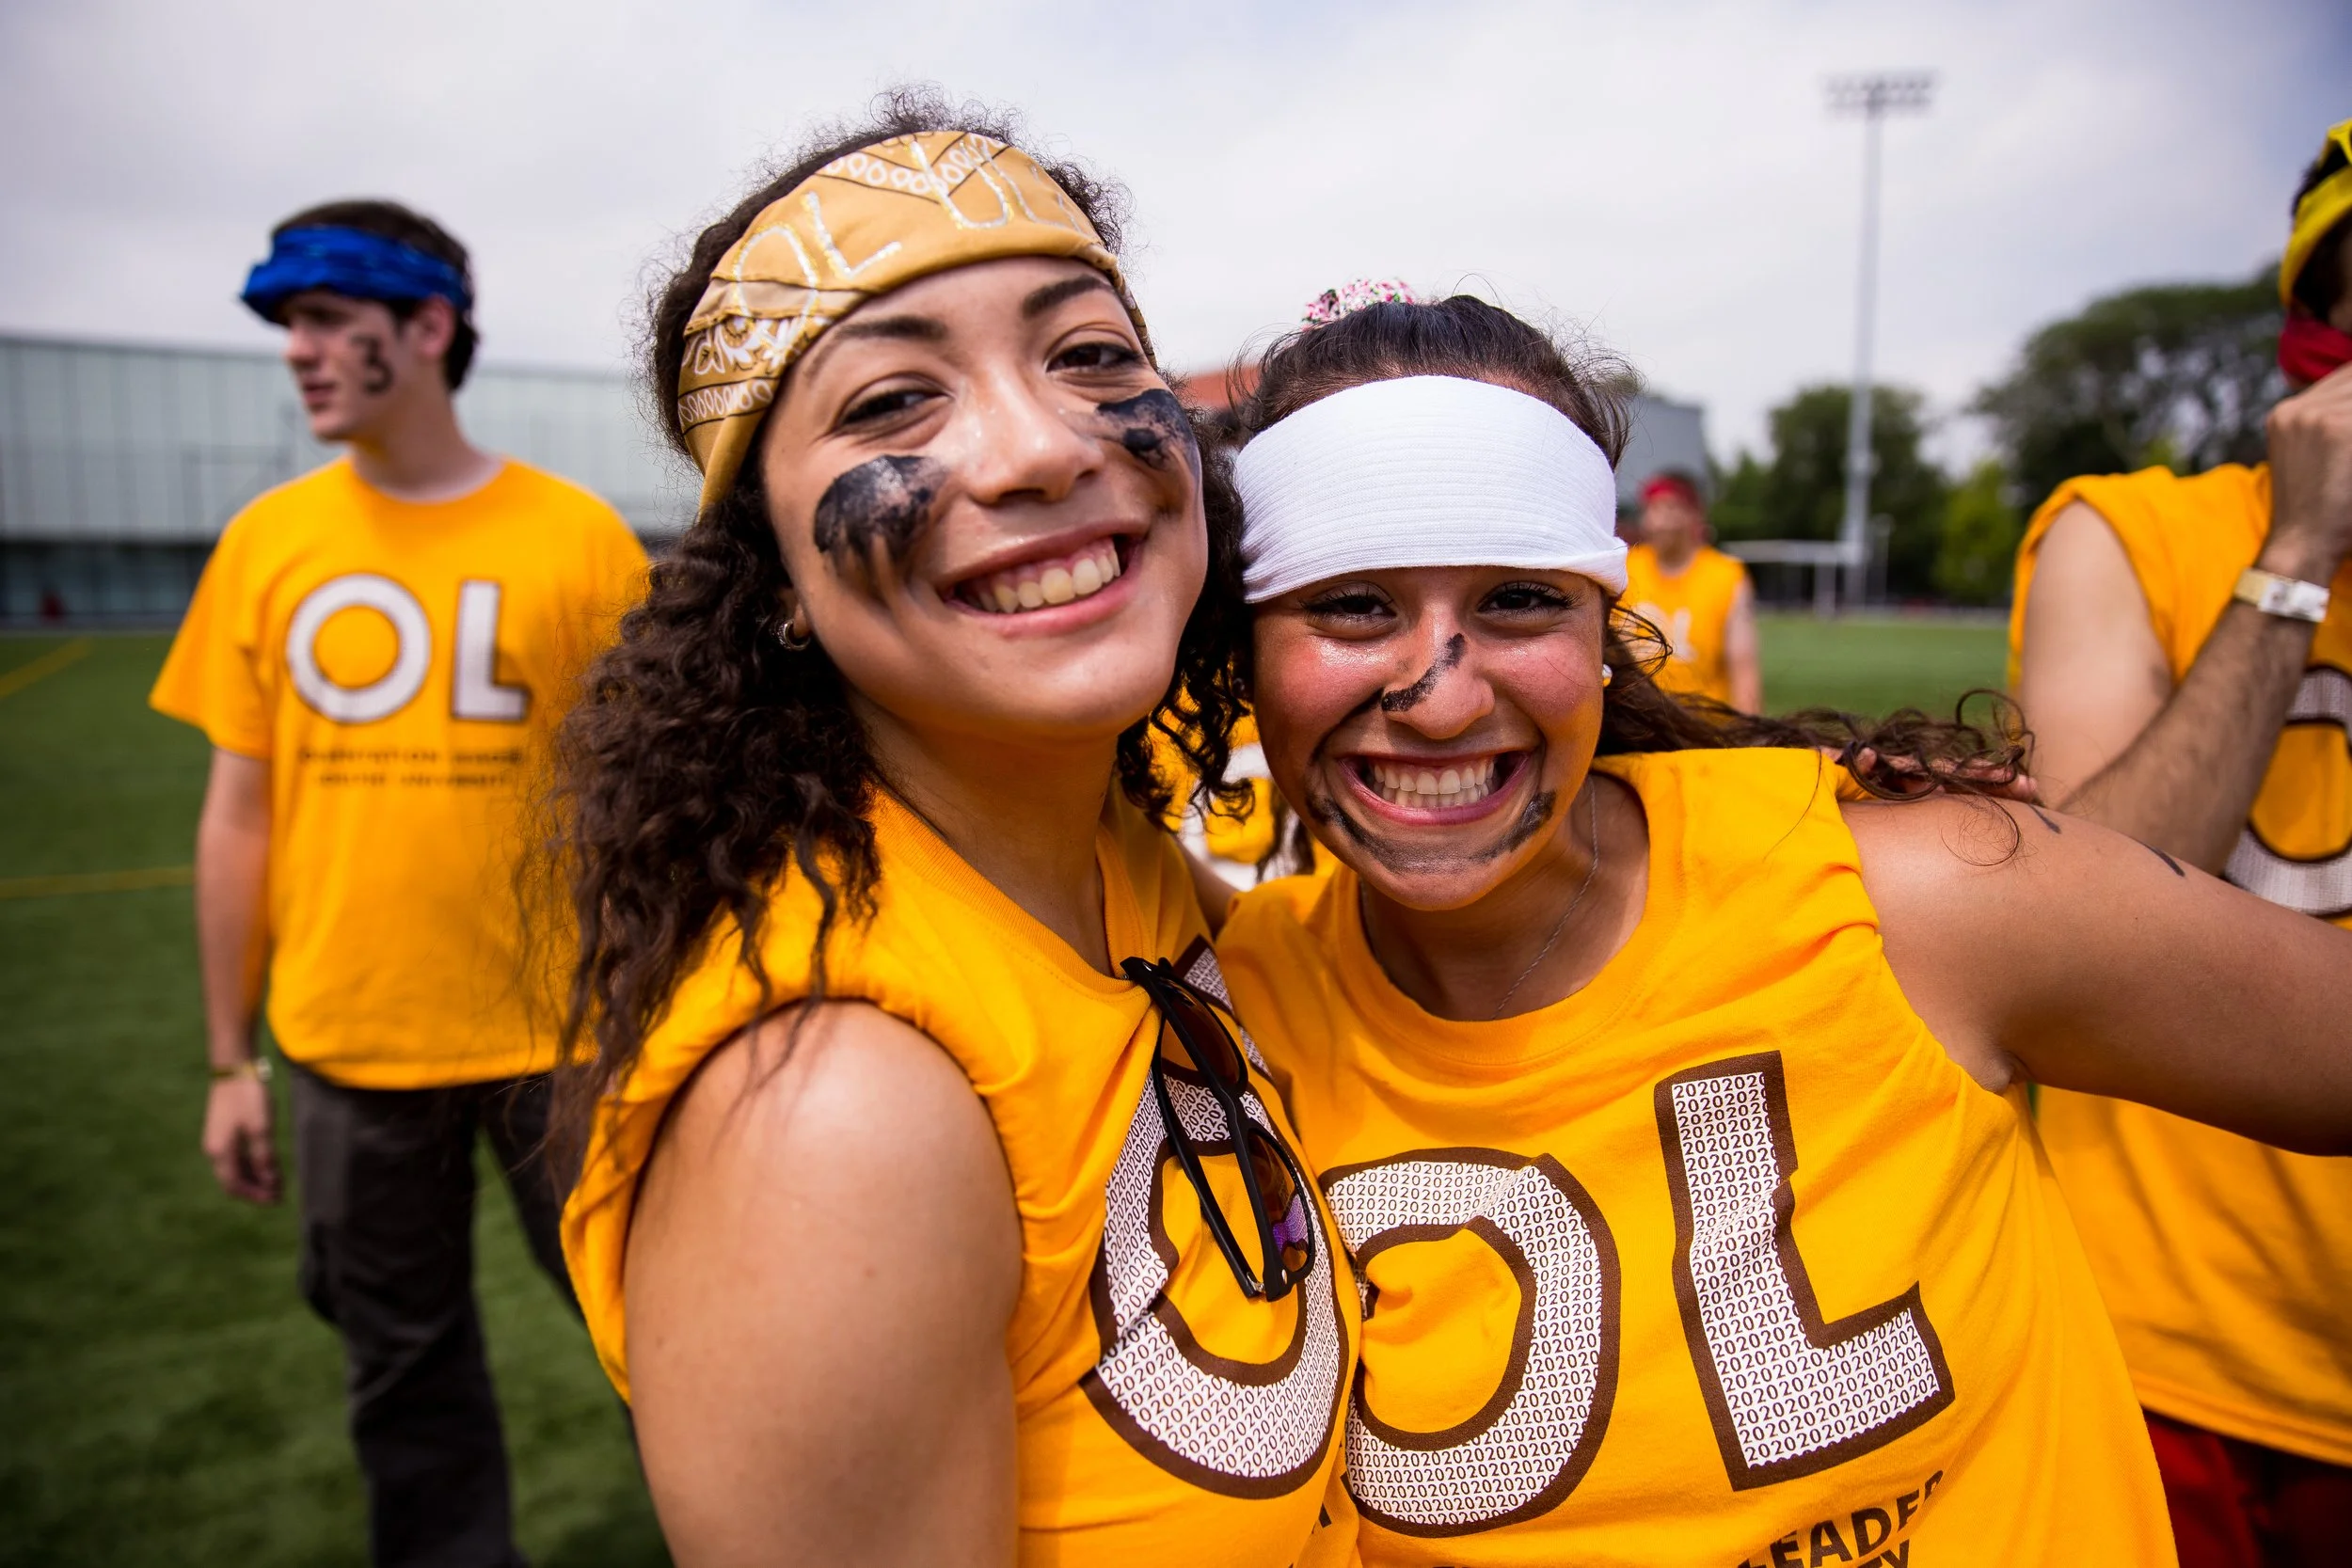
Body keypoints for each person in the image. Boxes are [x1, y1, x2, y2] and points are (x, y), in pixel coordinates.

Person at [1202, 292, 2352, 1564]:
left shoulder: (1914, 896)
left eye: (1522, 596)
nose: (1440, 692)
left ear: (1604, 635)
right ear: (1245, 650)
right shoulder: (1228, 1016)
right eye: (1354, 603)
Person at [550, 99, 1355, 1567]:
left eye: (1094, 358)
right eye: (890, 405)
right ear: (777, 576)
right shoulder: (834, 1116)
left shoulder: (1127, 870)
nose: (1043, 448)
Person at [151, 199, 647, 1568]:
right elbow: (237, 814)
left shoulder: (579, 538)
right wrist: (224, 1058)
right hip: (349, 1045)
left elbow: (638, 810)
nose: (298, 353)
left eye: (323, 321)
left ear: (425, 328)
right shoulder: (268, 542)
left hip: (570, 1043)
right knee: (403, 1382)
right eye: (289, 329)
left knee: (666, 1347)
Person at [2008, 118, 2352, 1565]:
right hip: (2168, 1352)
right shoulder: (2138, 531)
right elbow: (2082, 912)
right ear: (2317, 317)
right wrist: (2300, 555)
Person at [1622, 468, 1761, 711]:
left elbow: (1744, 671)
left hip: (1703, 732)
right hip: (1636, 729)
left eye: (1668, 509)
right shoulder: (1626, 568)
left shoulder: (1725, 576)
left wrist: (1748, 737)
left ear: (1694, 514)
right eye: (1650, 509)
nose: (1656, 522)